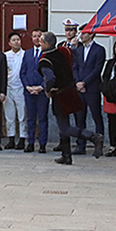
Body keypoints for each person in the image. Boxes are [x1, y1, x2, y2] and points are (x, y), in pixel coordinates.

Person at [38, 31, 104, 164]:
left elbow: (50, 78)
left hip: (60, 94)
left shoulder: (45, 60)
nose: (39, 44)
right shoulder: (64, 51)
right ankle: (66, 155)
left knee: (64, 127)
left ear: (46, 44)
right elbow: (74, 55)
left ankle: (93, 136)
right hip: (71, 91)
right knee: (65, 124)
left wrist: (48, 90)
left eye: (41, 41)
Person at [72, 29, 106, 152]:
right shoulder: (78, 50)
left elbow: (97, 69)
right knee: (80, 117)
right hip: (79, 88)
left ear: (91, 34)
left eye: (84, 33)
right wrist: (78, 82)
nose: (81, 35)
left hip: (92, 88)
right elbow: (74, 67)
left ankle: (99, 144)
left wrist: (85, 82)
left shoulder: (99, 49)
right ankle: (80, 144)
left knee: (96, 116)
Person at [20, 28, 49, 153]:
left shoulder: (47, 53)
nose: (36, 38)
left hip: (42, 92)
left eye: (39, 36)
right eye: (34, 36)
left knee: (42, 118)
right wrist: (27, 86)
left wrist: (41, 86)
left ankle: (42, 144)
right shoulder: (27, 53)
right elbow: (23, 72)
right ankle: (30, 142)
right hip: (29, 91)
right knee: (30, 118)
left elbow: (49, 73)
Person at [3, 32, 26, 149]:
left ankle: (22, 138)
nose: (16, 42)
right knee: (9, 116)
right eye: (14, 40)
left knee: (22, 116)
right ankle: (11, 138)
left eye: (18, 39)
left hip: (21, 88)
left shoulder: (25, 55)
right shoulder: (5, 56)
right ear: (9, 43)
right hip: (8, 88)